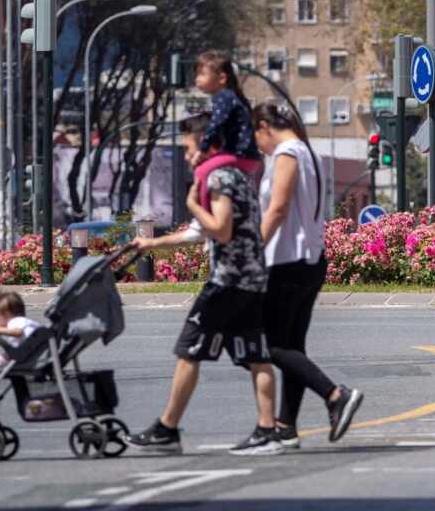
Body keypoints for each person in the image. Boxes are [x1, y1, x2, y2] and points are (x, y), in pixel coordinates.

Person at [126, 114, 283, 456]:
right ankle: (267, 430)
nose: (186, 156)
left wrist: (193, 204)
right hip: (252, 280)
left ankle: (167, 429)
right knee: (256, 356)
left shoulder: (218, 179)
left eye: (189, 148)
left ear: (209, 145)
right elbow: (201, 233)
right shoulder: (238, 176)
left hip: (227, 281)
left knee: (188, 351)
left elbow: (221, 229)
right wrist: (150, 245)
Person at [252, 100, 363, 448]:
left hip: (287, 259)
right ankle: (286, 424)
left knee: (271, 346)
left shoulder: (286, 153)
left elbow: (279, 206)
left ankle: (334, 394)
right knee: (292, 345)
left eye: (257, 136)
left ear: (265, 127)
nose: (258, 146)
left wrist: (254, 250)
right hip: (311, 259)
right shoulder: (310, 153)